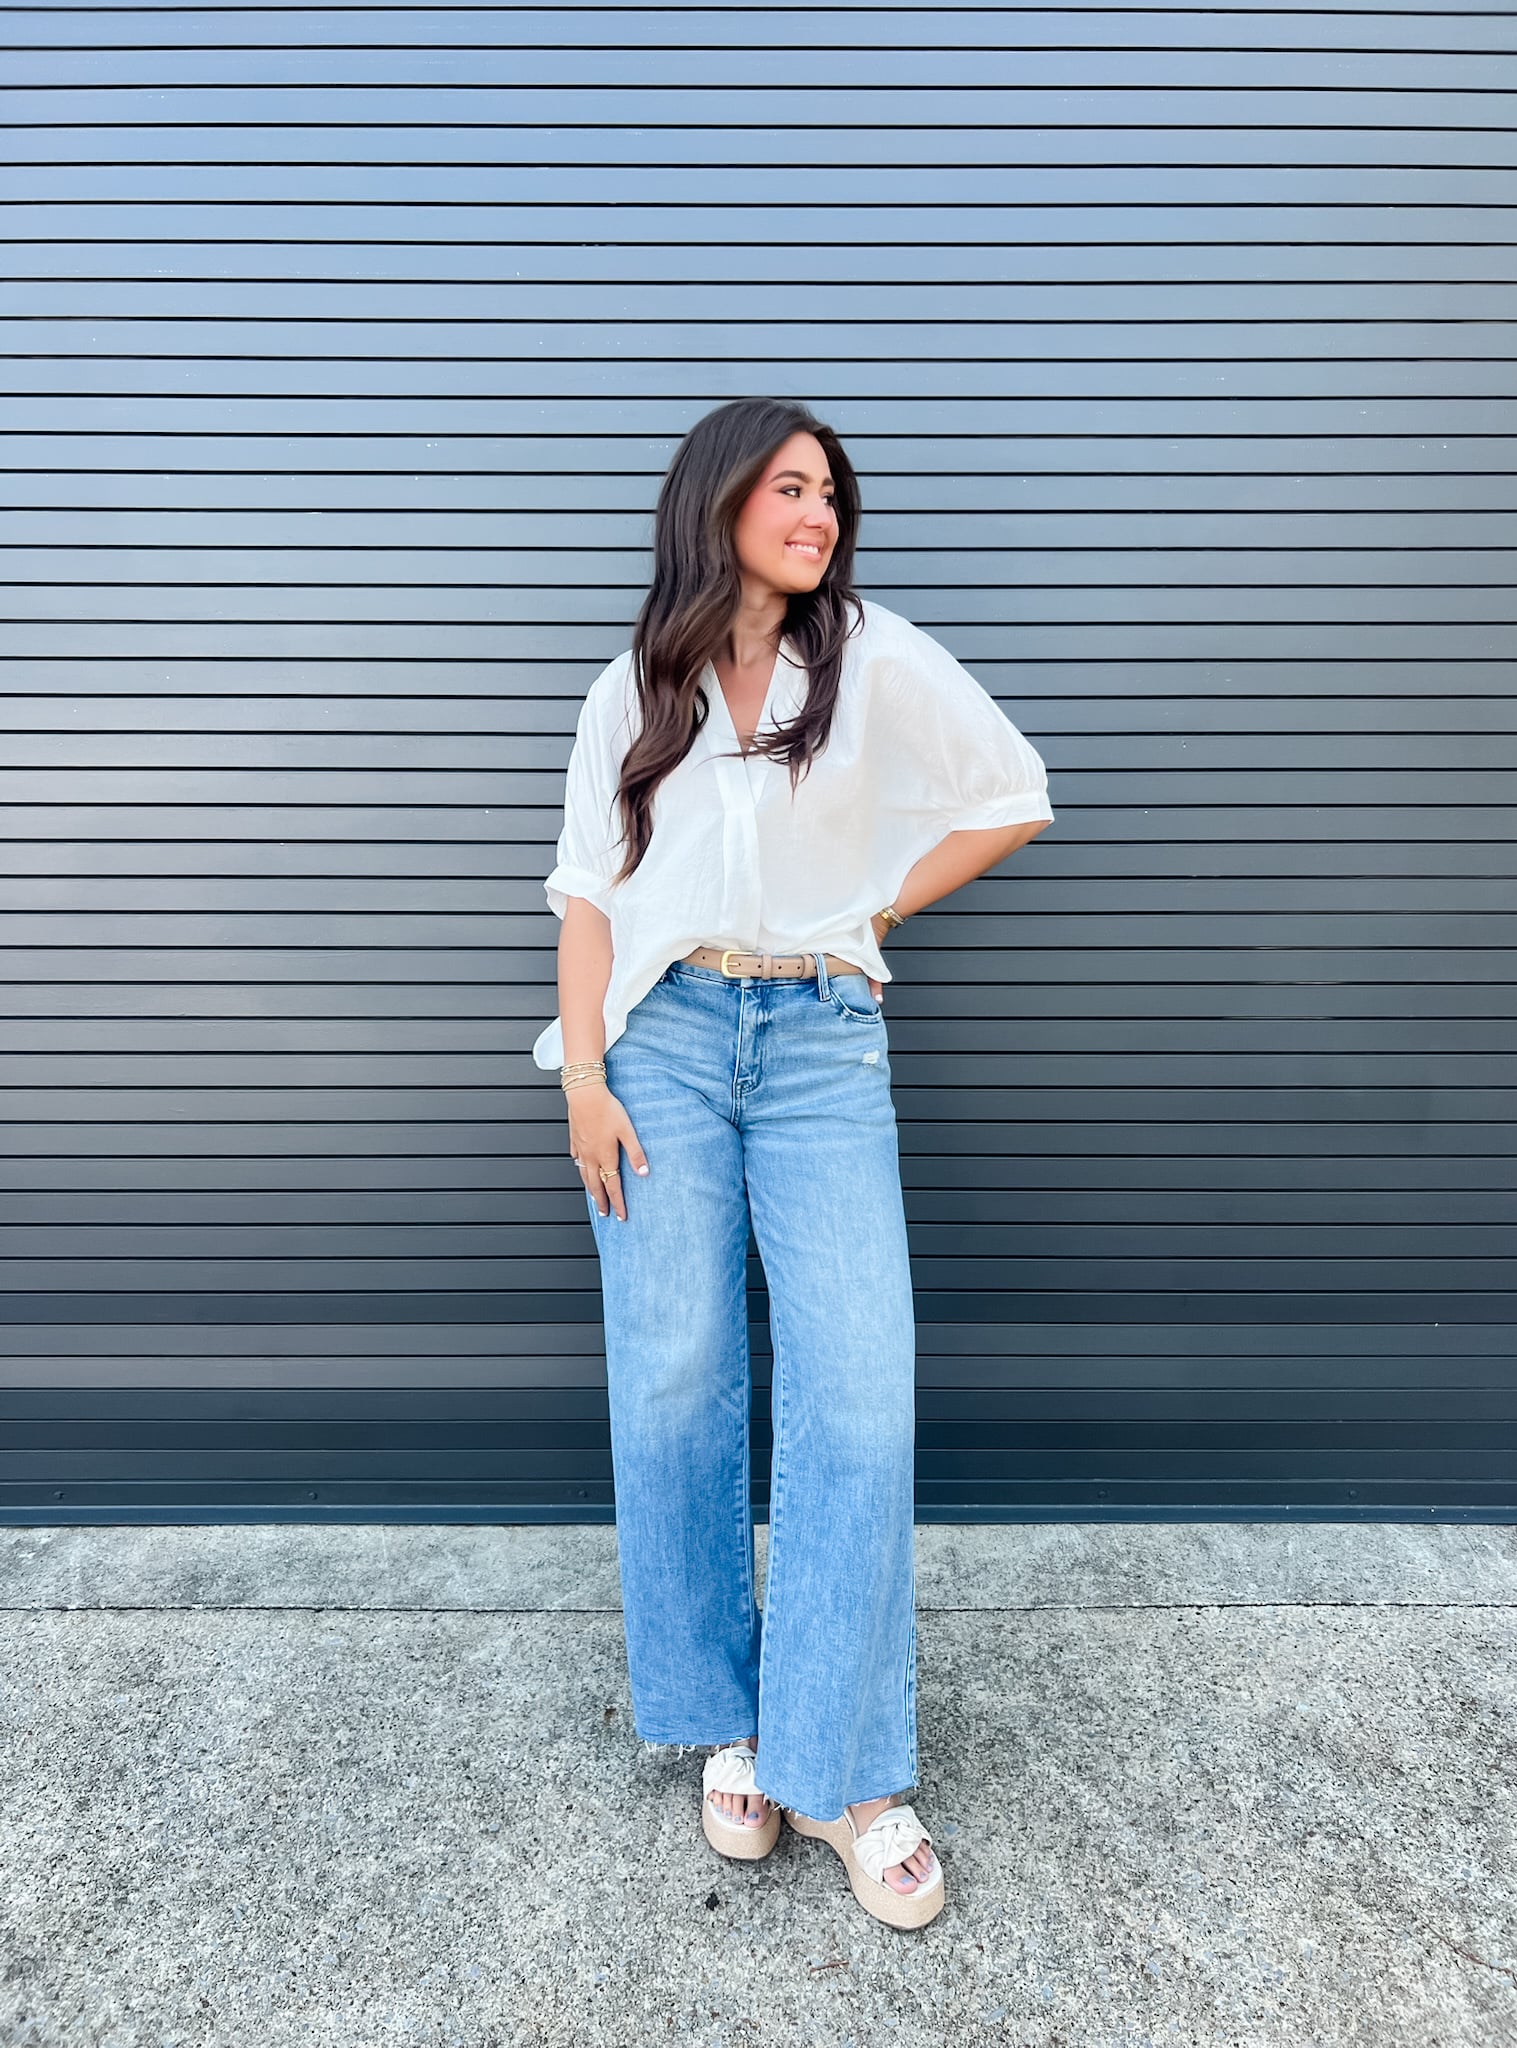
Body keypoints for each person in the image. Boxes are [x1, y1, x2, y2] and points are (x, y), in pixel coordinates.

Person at [534, 396, 1054, 1929]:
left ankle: (844, 1767)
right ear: (716, 503)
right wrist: (582, 1080)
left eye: (831, 493)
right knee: (678, 1373)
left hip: (823, 1041)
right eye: (789, 488)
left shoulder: (875, 658)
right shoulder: (632, 688)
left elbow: (1014, 794)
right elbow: (583, 894)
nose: (820, 514)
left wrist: (875, 912)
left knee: (857, 1384)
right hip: (663, 1045)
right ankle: (734, 1722)